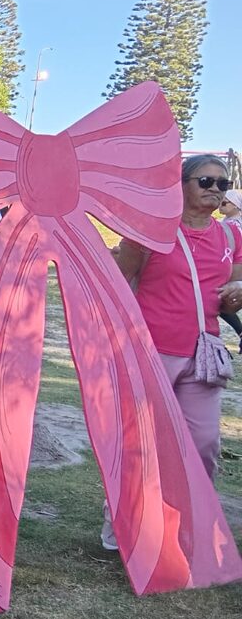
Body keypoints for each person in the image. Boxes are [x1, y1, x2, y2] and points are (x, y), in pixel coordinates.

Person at [110, 154, 242, 549]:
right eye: (206, 181)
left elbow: (230, 293)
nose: (216, 190)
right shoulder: (151, 233)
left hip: (203, 354)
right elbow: (120, 281)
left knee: (203, 445)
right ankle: (125, 528)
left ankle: (187, 528)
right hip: (151, 350)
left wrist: (236, 296)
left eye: (222, 183)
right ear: (180, 185)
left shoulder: (232, 237)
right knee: (141, 444)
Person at [217, 189, 242, 345]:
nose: (221, 204)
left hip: (233, 270)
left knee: (219, 301)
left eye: (225, 202)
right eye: (221, 200)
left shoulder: (234, 225)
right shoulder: (226, 222)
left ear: (237, 206)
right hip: (230, 269)